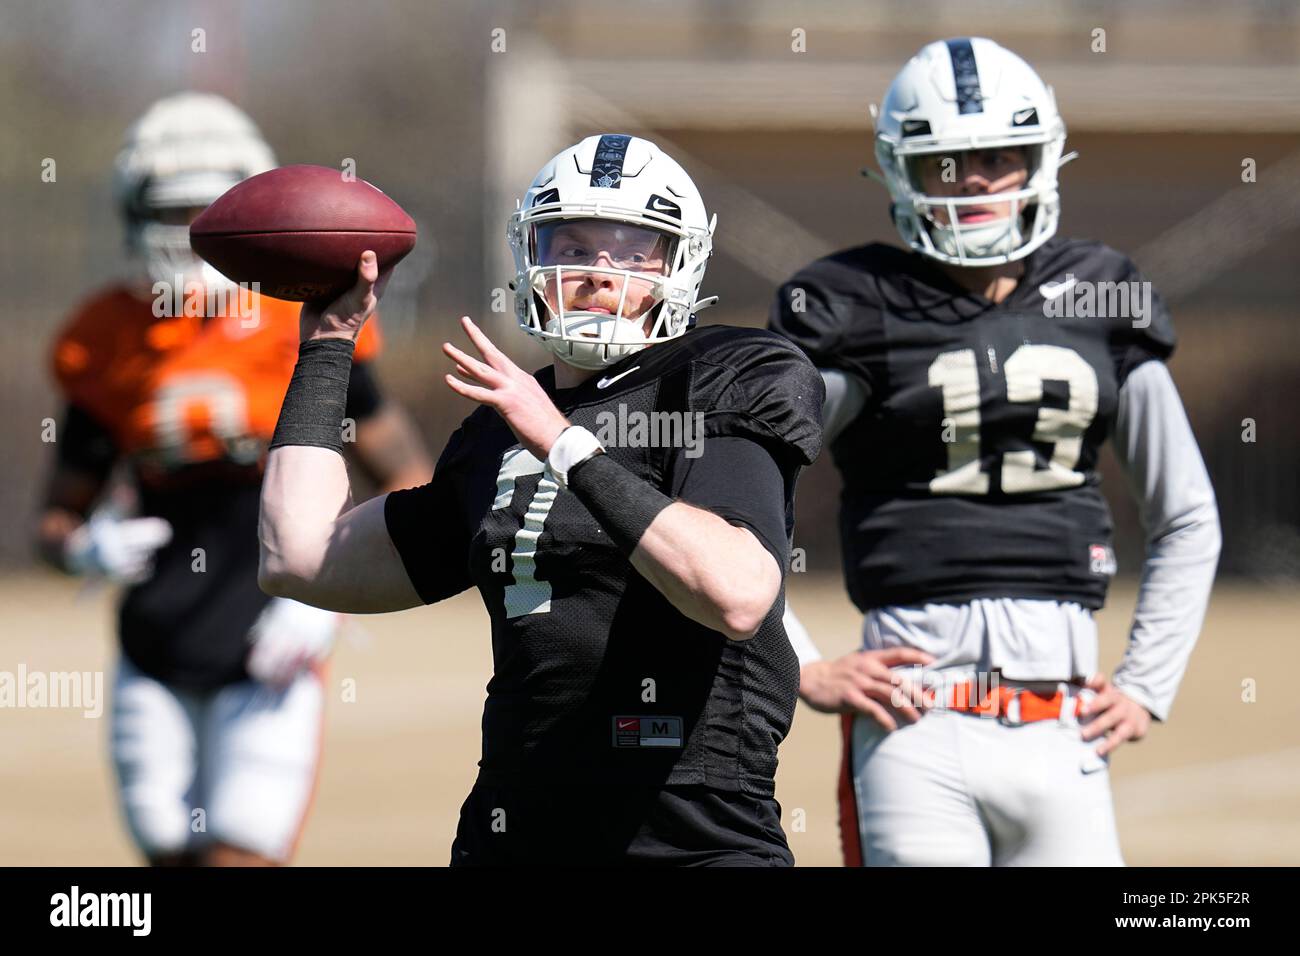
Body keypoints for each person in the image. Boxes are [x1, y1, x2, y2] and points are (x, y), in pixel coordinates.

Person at [258, 134, 824, 865]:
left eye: (634, 250)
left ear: (681, 262)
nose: (597, 271)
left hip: (692, 835)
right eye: (573, 243)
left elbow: (737, 592)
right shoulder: (500, 427)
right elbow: (296, 557)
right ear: (529, 256)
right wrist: (329, 347)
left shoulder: (724, 373)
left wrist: (563, 442)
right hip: (517, 831)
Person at [771, 39, 1221, 866]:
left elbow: (1187, 515)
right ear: (902, 173)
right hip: (915, 724)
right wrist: (800, 664)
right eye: (946, 163)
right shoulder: (855, 305)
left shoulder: (1101, 295)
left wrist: (1147, 683)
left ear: (1039, 160)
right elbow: (736, 498)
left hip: (1065, 720)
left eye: (996, 157)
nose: (975, 182)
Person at [35, 92, 432, 866]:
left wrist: (334, 588)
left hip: (273, 636)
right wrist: (85, 547)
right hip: (155, 640)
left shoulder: (304, 320)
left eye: (202, 211)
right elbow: (52, 522)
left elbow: (413, 486)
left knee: (242, 852)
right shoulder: (105, 336)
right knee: (165, 851)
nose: (185, 233)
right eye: (169, 209)